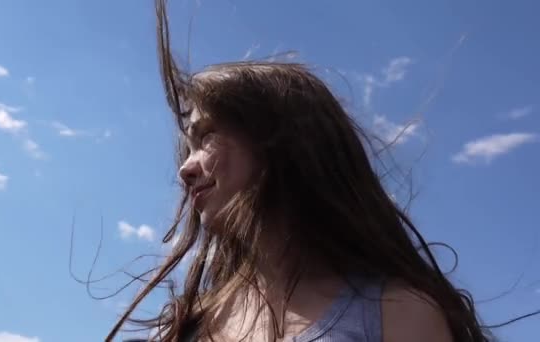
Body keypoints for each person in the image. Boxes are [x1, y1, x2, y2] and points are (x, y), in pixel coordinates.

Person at [105, 1, 506, 341]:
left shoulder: (397, 314)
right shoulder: (189, 324)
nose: (184, 169)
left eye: (206, 136)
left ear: (282, 142)